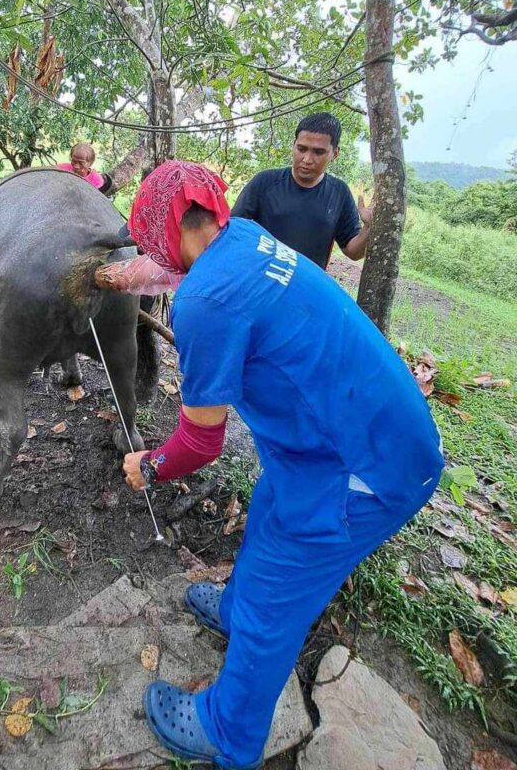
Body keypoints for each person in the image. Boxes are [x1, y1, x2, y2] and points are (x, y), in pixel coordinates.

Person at [95, 160, 443, 770]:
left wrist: (148, 466)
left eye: (150, 235)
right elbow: (174, 269)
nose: (151, 249)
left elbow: (200, 444)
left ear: (169, 226)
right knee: (271, 513)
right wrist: (119, 278)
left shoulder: (204, 301)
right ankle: (233, 611)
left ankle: (229, 733)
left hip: (365, 467)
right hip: (351, 430)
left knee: (279, 592)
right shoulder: (242, 239)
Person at [232, 112, 372, 269]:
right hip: (261, 284)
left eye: (318, 152)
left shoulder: (339, 192)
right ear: (294, 145)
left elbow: (353, 252)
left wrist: (368, 227)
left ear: (335, 153)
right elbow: (232, 232)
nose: (307, 159)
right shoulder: (264, 182)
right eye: (302, 149)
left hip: (305, 289)